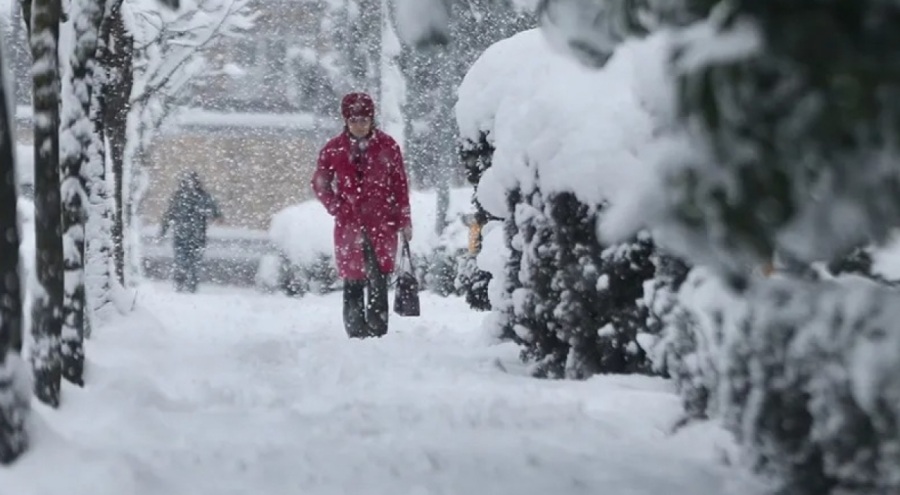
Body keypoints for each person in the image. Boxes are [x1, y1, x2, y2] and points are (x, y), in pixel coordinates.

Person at [311, 92, 412, 339]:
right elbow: (320, 183)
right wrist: (336, 206)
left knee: (379, 278)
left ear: (372, 119)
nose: (359, 125)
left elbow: (400, 186)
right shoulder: (333, 149)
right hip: (349, 225)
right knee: (353, 279)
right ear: (346, 120)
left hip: (382, 223)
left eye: (364, 119)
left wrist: (404, 219)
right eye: (354, 120)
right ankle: (356, 332)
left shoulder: (388, 147)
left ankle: (378, 330)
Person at [159, 171, 222, 293]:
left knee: (185, 262)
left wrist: (163, 230)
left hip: (186, 235)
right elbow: (215, 213)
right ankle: (187, 284)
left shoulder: (181, 197)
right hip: (193, 236)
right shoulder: (201, 197)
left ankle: (184, 283)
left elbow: (169, 215)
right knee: (191, 262)